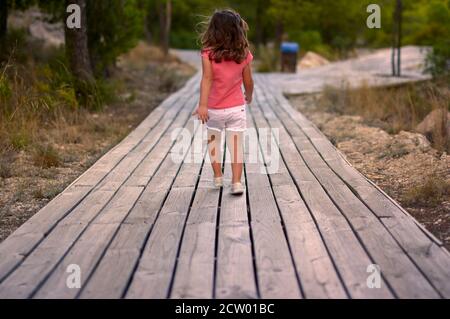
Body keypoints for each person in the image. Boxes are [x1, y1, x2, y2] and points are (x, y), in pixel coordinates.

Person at [192, 9, 254, 196]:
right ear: (238, 30)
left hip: (214, 109)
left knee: (213, 143)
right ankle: (236, 183)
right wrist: (248, 95)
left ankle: (218, 177)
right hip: (236, 108)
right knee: (236, 146)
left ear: (213, 30)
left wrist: (202, 105)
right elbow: (248, 81)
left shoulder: (208, 53)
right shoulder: (243, 54)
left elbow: (207, 79)